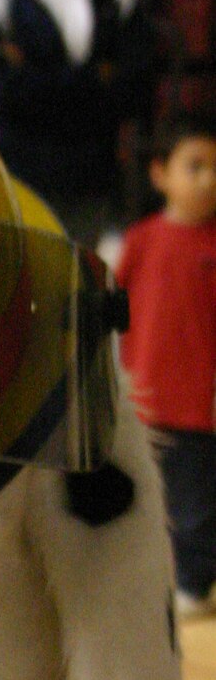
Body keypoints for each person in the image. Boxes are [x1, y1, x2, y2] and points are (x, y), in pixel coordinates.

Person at [0, 0, 157, 245]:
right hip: (14, 174)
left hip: (90, 175)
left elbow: (135, 89)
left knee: (81, 279)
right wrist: (95, 78)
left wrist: (32, 73)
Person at [117, 114, 216, 618]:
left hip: (200, 404)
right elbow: (119, 308)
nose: (209, 179)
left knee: (195, 503)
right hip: (147, 398)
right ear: (160, 173)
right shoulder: (140, 239)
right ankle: (151, 580)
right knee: (147, 499)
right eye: (195, 166)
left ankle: (193, 583)